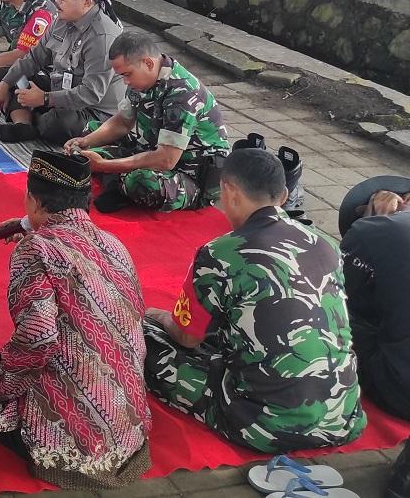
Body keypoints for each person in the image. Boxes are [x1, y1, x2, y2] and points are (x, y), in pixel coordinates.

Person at [0, 150, 152, 490]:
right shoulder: (114, 245)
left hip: (71, 443)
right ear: (85, 199)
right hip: (127, 430)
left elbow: (38, 338)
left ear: (32, 200)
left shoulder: (35, 250)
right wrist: (30, 224)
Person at [143, 148, 366, 453]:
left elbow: (187, 337)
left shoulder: (220, 253)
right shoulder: (325, 244)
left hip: (262, 425)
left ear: (229, 191)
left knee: (143, 338)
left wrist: (157, 316)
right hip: (342, 417)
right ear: (285, 194)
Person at [65, 31, 230, 213]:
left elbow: (166, 160)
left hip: (189, 175)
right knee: (88, 138)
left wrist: (105, 165)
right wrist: (85, 142)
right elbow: (122, 122)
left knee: (140, 181)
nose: (126, 82)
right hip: (150, 150)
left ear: (148, 63)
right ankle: (117, 181)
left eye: (128, 74)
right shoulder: (142, 81)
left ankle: (118, 181)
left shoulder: (183, 94)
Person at [0, 0, 124, 144]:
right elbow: (34, 58)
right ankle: (23, 125)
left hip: (94, 110)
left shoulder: (102, 37)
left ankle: (36, 119)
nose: (57, 0)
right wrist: (3, 85)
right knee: (16, 78)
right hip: (60, 89)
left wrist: (45, 99)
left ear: (86, 2)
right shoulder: (62, 20)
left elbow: (91, 93)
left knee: (58, 122)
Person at [338, 176, 410, 420]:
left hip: (399, 390)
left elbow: (336, 294)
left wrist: (371, 221)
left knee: (320, 316)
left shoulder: (380, 227)